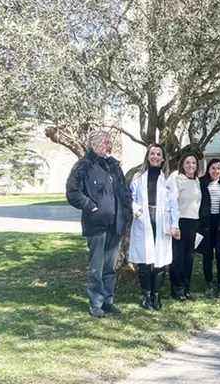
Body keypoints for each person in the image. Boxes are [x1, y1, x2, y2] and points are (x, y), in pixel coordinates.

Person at [65, 131, 132, 318]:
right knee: (96, 267)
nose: (108, 145)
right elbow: (72, 192)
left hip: (116, 223)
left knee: (110, 266)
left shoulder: (114, 166)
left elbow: (125, 191)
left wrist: (126, 209)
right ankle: (95, 304)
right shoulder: (84, 165)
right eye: (105, 142)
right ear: (94, 145)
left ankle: (107, 301)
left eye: (109, 142)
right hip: (97, 224)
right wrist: (90, 206)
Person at [129, 144, 180, 311]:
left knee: (160, 261)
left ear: (163, 158)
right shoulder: (138, 177)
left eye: (159, 154)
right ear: (147, 156)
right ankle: (146, 295)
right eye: (152, 154)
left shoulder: (168, 179)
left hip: (161, 220)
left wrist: (174, 225)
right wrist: (135, 210)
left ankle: (156, 295)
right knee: (144, 262)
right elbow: (129, 198)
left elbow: (174, 204)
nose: (155, 156)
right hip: (143, 219)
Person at [197, 158, 220, 299]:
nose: (216, 171)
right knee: (207, 255)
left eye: (218, 168)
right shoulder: (201, 182)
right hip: (206, 222)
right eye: (213, 168)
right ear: (208, 169)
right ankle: (209, 284)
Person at [171, 153, 201, 301]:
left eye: (193, 163)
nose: (191, 166)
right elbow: (173, 203)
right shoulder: (177, 180)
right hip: (181, 221)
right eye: (188, 163)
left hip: (193, 222)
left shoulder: (197, 181)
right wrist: (175, 225)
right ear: (182, 165)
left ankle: (186, 288)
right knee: (178, 258)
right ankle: (177, 289)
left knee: (189, 258)